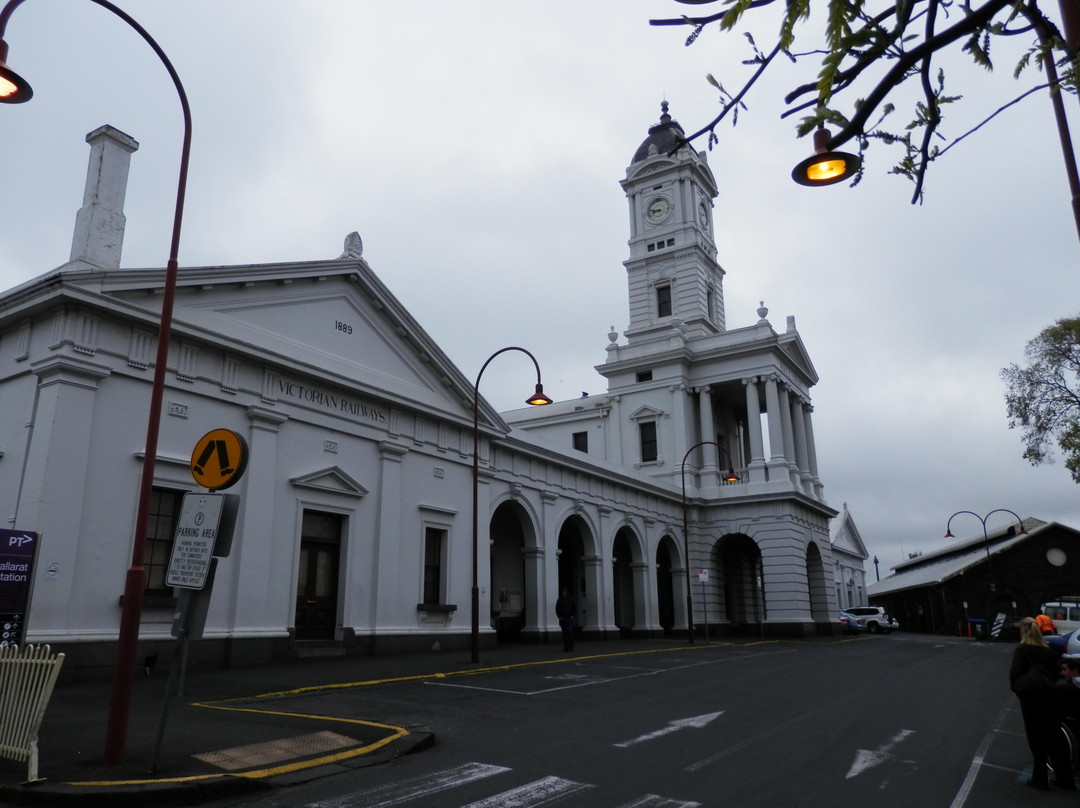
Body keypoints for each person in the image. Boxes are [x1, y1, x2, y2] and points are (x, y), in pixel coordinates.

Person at [1010, 616, 1076, 791]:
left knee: (1036, 740)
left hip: (1031, 701)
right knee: (1055, 738)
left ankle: (1040, 778)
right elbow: (1054, 675)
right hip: (1050, 698)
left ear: (1023, 630)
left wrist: (1020, 689)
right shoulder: (1047, 650)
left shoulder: (1022, 650)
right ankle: (1065, 779)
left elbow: (1015, 676)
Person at [555, 587, 576, 652]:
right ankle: (566, 647)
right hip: (563, 618)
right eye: (563, 592)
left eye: (565, 592)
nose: (564, 593)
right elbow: (557, 609)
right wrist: (559, 616)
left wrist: (572, 615)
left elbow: (574, 607)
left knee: (569, 631)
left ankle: (571, 646)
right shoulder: (559, 600)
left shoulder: (571, 599)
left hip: (569, 618)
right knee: (564, 633)